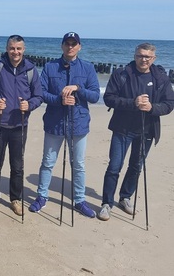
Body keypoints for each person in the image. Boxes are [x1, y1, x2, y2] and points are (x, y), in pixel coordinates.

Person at [97, 43, 174, 221]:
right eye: (140, 55)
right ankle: (106, 203)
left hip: (147, 130)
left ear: (153, 58)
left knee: (135, 167)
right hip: (122, 128)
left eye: (147, 56)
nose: (143, 59)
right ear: (135, 55)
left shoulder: (161, 78)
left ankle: (125, 197)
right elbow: (109, 98)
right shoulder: (122, 74)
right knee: (114, 166)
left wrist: (151, 107)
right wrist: (133, 102)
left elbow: (169, 104)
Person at [29, 32, 100, 218]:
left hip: (79, 124)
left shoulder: (88, 68)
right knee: (48, 162)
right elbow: (41, 93)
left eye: (74, 44)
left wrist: (78, 88)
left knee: (78, 164)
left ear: (79, 47)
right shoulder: (50, 67)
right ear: (62, 46)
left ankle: (79, 200)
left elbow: (94, 96)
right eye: (67, 43)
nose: (70, 47)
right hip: (55, 123)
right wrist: (60, 100)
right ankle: (41, 196)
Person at [0, 35, 43, 216]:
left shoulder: (31, 70)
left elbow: (38, 96)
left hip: (19, 125)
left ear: (23, 49)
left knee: (17, 165)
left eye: (18, 49)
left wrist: (29, 105)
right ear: (7, 49)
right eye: (12, 48)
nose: (15, 52)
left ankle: (15, 199)